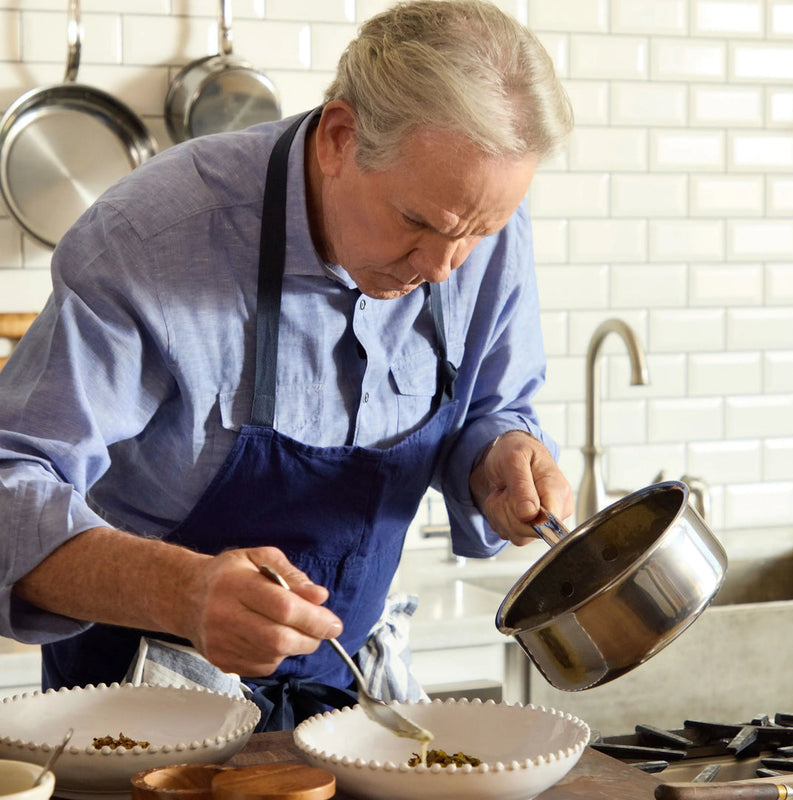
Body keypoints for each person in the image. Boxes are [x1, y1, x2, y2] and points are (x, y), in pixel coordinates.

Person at [0, 0, 574, 730]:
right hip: (141, 709)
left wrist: (503, 459)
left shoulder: (471, 212)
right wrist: (183, 591)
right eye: (417, 224)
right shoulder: (151, 240)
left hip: (351, 705)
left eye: (477, 234)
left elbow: (492, 407)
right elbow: (8, 488)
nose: (442, 266)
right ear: (339, 137)